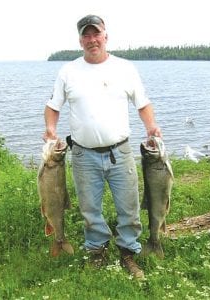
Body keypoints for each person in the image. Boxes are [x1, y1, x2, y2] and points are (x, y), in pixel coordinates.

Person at [43, 14, 162, 279]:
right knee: (89, 210)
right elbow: (53, 107)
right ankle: (97, 252)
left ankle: (129, 253)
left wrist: (151, 127)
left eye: (96, 34)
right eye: (86, 35)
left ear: (105, 36)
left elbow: (143, 103)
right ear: (80, 40)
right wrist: (51, 130)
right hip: (83, 155)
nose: (92, 40)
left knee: (129, 208)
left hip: (120, 152)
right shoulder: (68, 71)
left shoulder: (125, 68)